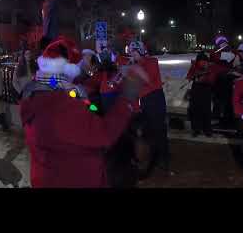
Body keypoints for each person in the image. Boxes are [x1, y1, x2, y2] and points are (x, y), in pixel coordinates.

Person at [19, 36, 147, 188]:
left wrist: (92, 108)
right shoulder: (60, 104)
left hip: (48, 175)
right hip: (74, 178)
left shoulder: (39, 90)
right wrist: (127, 99)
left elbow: (84, 102)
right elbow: (103, 134)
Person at [128, 40, 171, 176]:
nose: (132, 55)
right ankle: (150, 159)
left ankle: (164, 159)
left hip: (155, 98)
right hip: (144, 101)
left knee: (159, 130)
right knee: (147, 132)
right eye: (131, 52)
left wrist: (136, 69)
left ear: (140, 51)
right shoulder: (134, 66)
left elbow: (149, 80)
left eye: (134, 52)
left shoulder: (152, 61)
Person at [186, 52, 215, 137]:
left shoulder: (210, 67)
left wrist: (202, 79)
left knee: (205, 111)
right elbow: (188, 76)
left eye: (204, 61)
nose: (203, 63)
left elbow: (211, 79)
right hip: (196, 90)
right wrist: (195, 76)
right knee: (196, 110)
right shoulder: (194, 67)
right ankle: (197, 129)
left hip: (206, 90)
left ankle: (207, 129)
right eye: (201, 61)